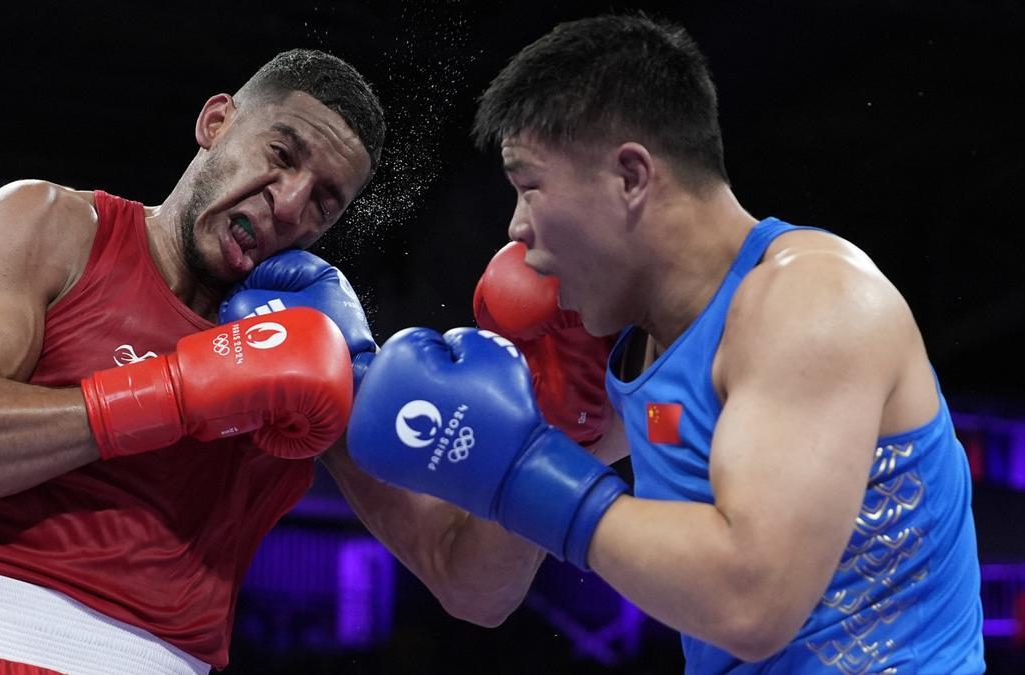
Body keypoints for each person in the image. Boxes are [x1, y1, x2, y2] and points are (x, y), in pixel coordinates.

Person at [345, 12, 985, 674]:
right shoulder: (634, 352)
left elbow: (751, 602)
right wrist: (519, 442)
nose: (517, 229)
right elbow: (477, 588)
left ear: (630, 176)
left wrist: (522, 469)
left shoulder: (813, 301)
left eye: (529, 187)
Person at [0, 49, 384, 674]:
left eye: (324, 202)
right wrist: (171, 393)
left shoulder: (314, 352)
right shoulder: (48, 226)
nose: (290, 204)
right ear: (216, 123)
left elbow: (468, 582)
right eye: (281, 156)